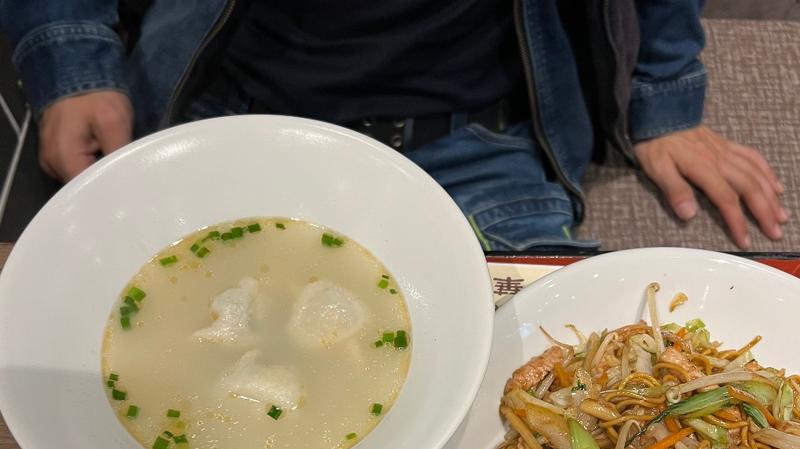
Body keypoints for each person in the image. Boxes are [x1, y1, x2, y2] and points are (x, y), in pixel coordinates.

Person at [1, 1, 786, 251]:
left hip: (482, 142)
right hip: (236, 114)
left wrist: (661, 98)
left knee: (560, 385)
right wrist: (72, 61)